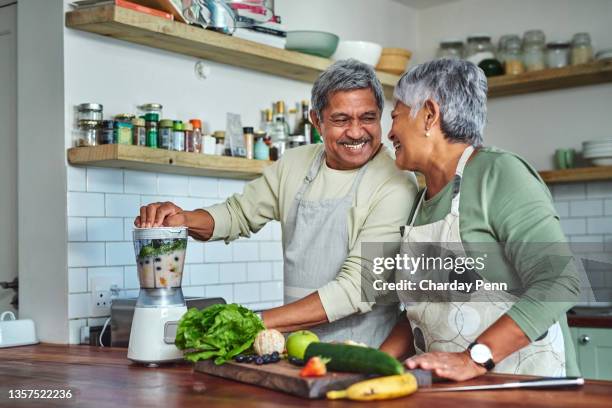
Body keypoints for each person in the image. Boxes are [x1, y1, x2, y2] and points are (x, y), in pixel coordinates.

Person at [135, 59, 418, 347]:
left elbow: (356, 288)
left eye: (368, 118)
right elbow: (238, 214)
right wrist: (184, 219)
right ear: (317, 120)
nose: (356, 132)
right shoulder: (295, 164)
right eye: (341, 120)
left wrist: (251, 322)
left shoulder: (396, 183)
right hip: (293, 350)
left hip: (363, 354)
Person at [379, 58, 581, 380]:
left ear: (429, 114)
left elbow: (561, 280)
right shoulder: (419, 203)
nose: (389, 132)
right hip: (450, 394)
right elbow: (427, 314)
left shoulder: (499, 174)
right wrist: (370, 363)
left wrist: (473, 359)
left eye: (395, 116)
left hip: (526, 387)